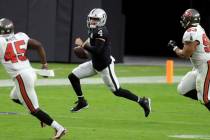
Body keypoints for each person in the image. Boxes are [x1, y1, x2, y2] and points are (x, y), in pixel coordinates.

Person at [68, 8, 151, 117]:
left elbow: (97, 50)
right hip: (95, 64)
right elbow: (91, 40)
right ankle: (82, 101)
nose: (92, 21)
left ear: (102, 20)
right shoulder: (93, 29)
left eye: (95, 19)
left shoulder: (102, 31)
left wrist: (83, 45)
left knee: (117, 91)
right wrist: (84, 46)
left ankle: (142, 101)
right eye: (91, 18)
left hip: (104, 67)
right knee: (72, 76)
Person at [0, 18, 67, 139]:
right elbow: (38, 45)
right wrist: (44, 65)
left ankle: (59, 128)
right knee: (14, 97)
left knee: (33, 110)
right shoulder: (21, 36)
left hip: (21, 77)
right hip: (30, 72)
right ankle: (40, 114)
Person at [168, 9, 210, 111]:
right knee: (183, 88)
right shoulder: (199, 28)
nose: (183, 20)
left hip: (206, 66)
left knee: (204, 99)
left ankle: (205, 95)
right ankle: (206, 93)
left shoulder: (190, 32)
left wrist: (174, 47)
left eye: (185, 18)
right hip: (199, 67)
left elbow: (185, 54)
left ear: (190, 20)